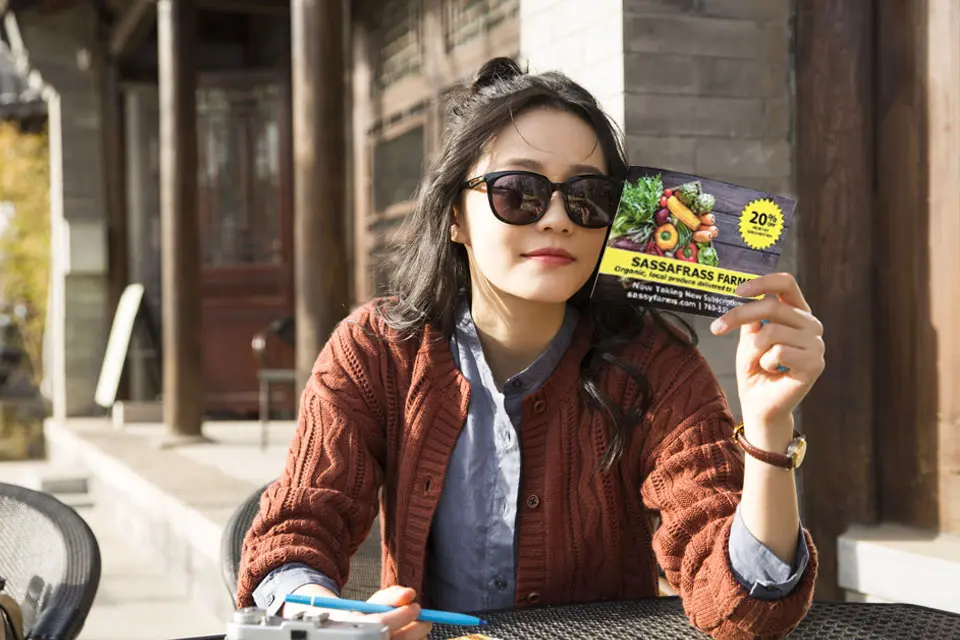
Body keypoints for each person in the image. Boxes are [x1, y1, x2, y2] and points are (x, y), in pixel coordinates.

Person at [236, 57, 824, 640]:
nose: (558, 219)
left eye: (588, 196)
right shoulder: (376, 353)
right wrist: (335, 619)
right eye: (518, 192)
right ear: (454, 218)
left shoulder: (656, 368)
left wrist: (769, 433)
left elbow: (745, 610)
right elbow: (293, 535)